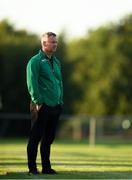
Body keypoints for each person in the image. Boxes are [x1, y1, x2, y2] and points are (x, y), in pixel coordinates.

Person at [26, 32, 63, 175]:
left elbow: (59, 82)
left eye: (56, 42)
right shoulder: (35, 61)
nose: (55, 44)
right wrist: (38, 101)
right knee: (35, 137)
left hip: (55, 105)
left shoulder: (56, 61)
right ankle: (32, 168)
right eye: (52, 42)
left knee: (48, 139)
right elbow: (31, 82)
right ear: (44, 43)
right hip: (41, 105)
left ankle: (46, 168)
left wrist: (60, 100)